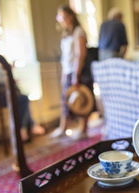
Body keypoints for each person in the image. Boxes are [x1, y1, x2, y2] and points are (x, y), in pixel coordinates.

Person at [0, 26, 45, 142]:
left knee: (21, 96)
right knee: (22, 99)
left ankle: (29, 126)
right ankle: (23, 129)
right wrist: (8, 79)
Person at [50, 5, 93, 140]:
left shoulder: (79, 32)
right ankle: (63, 128)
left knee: (81, 99)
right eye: (60, 17)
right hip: (68, 70)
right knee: (67, 100)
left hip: (79, 70)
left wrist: (76, 74)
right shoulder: (66, 33)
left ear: (71, 17)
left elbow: (80, 54)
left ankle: (83, 129)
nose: (62, 20)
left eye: (64, 17)